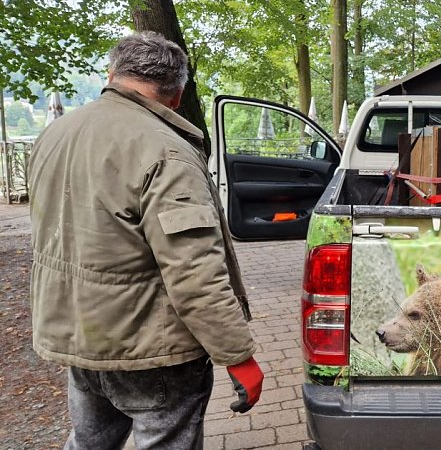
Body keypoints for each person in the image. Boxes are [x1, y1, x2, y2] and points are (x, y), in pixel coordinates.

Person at [28, 32, 264, 450]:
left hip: (79, 338)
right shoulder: (166, 151)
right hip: (152, 351)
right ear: (175, 94)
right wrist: (237, 356)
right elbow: (194, 271)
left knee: (87, 443)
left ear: (112, 74)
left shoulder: (55, 134)